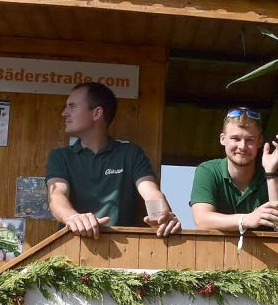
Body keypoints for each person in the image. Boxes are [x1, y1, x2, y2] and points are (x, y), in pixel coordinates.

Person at [46, 82, 181, 239]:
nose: (64, 113)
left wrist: (161, 217)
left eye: (72, 106)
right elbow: (56, 196)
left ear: (97, 113)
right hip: (72, 250)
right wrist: (72, 217)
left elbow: (151, 193)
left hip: (124, 253)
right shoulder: (60, 157)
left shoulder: (130, 153)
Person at [189, 107, 278, 233]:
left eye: (249, 140)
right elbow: (202, 220)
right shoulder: (208, 171)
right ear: (222, 139)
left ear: (259, 141)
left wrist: (271, 173)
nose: (242, 146)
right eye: (235, 139)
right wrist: (245, 219)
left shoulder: (277, 175)